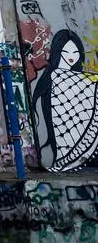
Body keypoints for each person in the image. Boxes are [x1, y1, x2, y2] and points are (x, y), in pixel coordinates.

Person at [30, 29, 98, 171]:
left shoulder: (85, 80)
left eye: (75, 52)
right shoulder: (53, 76)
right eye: (66, 52)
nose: (71, 57)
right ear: (58, 52)